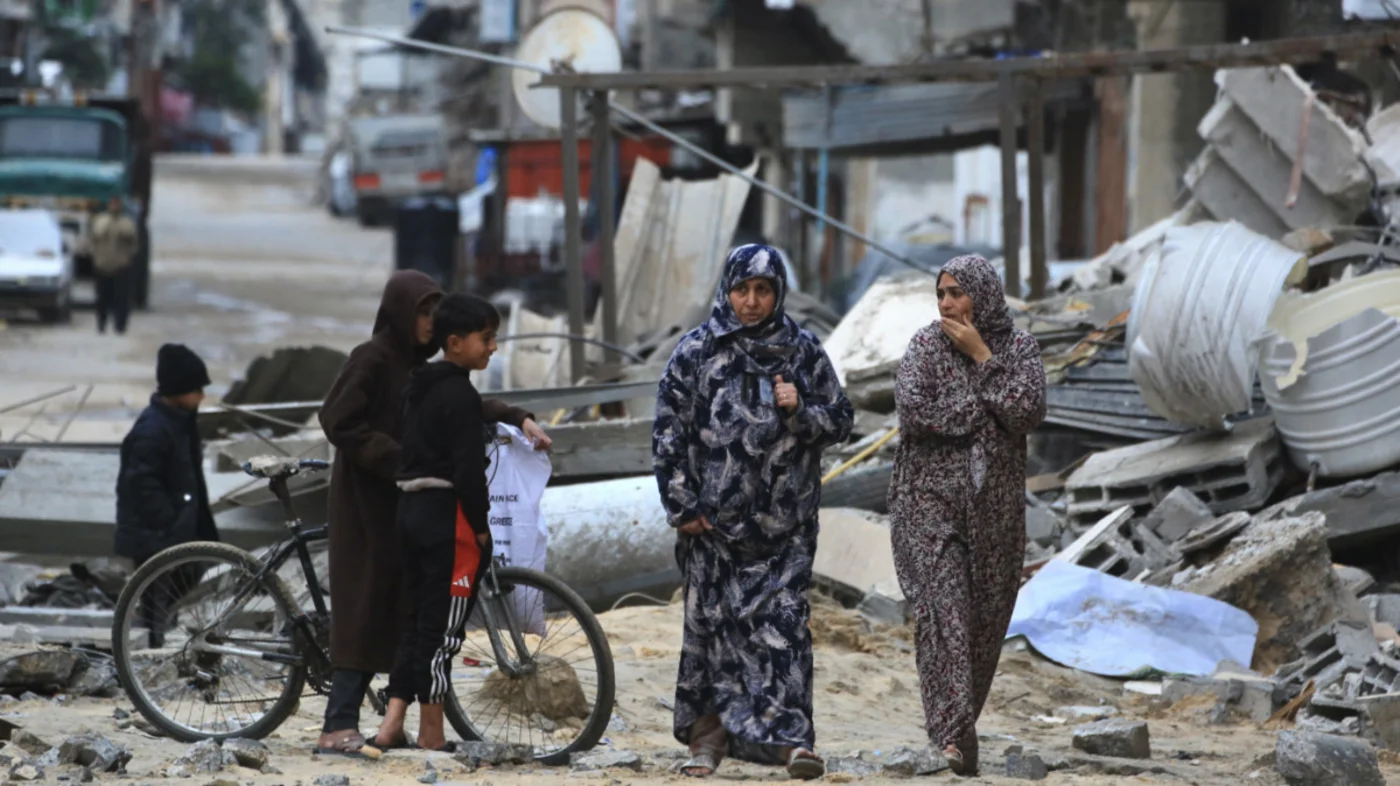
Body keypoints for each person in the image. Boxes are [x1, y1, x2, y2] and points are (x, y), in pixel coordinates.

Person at [316, 270, 551, 757]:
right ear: (400, 312)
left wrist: (512, 413)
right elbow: (337, 419)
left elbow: (461, 406)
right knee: (364, 606)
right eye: (423, 311)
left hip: (405, 501)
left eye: (435, 311)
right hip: (366, 501)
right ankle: (337, 722)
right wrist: (398, 456)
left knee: (409, 610)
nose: (431, 321)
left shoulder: (423, 370)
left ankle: (391, 720)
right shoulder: (373, 357)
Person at [652, 244, 854, 781]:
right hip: (711, 529)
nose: (751, 301)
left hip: (784, 529)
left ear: (778, 292)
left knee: (784, 631)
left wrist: (801, 412)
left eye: (763, 290)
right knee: (711, 633)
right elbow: (668, 432)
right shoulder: (696, 351)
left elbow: (841, 420)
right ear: (728, 289)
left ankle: (792, 743)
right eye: (742, 289)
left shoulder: (803, 352)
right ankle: (707, 741)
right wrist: (682, 506)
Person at [888, 254, 1047, 776]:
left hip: (995, 516)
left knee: (983, 626)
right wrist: (984, 409)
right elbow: (916, 413)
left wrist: (982, 358)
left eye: (957, 292)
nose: (947, 303)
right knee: (947, 616)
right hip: (929, 507)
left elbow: (1027, 412)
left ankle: (959, 729)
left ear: (984, 293)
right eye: (941, 294)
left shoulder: (1018, 348)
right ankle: (950, 740)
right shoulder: (925, 347)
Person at [374, 293, 499, 752]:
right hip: (448, 519)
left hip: (409, 513)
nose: (492, 348)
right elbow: (469, 473)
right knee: (443, 631)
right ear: (455, 342)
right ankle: (431, 732)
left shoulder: (420, 386)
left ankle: (391, 724)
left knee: (416, 622)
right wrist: (482, 528)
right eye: (485, 339)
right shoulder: (460, 394)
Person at [113, 343, 217, 647]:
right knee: (154, 603)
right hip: (156, 534)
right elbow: (140, 484)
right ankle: (151, 657)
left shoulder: (180, 422)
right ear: (179, 389)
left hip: (176, 529)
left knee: (188, 580)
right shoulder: (152, 429)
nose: (201, 396)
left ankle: (160, 644)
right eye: (196, 388)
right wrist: (170, 519)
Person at [91, 196, 139, 335]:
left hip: (121, 266)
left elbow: (133, 241)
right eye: (113, 204)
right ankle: (101, 324)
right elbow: (95, 237)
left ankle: (120, 326)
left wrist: (128, 259)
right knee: (102, 298)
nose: (115, 207)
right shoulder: (101, 220)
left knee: (121, 299)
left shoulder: (127, 222)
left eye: (117, 205)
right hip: (102, 265)